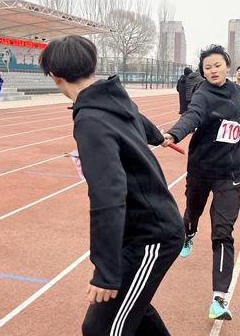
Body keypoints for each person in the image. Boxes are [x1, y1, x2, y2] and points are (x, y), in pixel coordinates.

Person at [39, 35, 184, 335]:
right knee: (134, 313)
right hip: (142, 228)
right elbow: (136, 118)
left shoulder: (90, 121)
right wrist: (159, 137)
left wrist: (105, 273)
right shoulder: (113, 97)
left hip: (151, 235)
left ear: (55, 76)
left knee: (101, 329)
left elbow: (108, 195)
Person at [162, 45, 240, 321]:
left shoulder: (234, 90)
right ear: (203, 71)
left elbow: (239, 113)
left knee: (223, 233)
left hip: (231, 172)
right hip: (202, 169)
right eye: (207, 67)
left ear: (227, 66)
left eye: (217, 65)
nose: (212, 70)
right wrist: (174, 134)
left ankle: (218, 299)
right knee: (192, 212)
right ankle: (189, 233)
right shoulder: (203, 95)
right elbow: (192, 116)